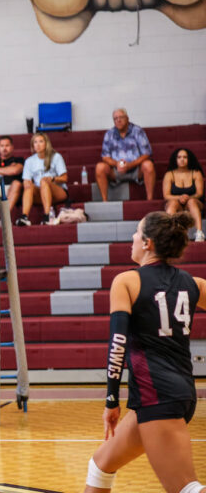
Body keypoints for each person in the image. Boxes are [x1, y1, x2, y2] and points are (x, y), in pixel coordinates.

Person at [84, 211, 206, 493]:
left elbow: (117, 344)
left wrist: (111, 399)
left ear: (148, 243)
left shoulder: (127, 281)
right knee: (100, 465)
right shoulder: (193, 283)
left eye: (137, 233)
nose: (133, 238)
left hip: (157, 397)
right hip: (178, 393)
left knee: (186, 488)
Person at [96, 108, 156, 202]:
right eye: (115, 118)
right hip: (116, 170)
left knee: (148, 165)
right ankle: (105, 201)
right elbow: (105, 156)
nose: (118, 120)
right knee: (100, 167)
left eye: (121, 117)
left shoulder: (137, 131)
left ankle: (149, 201)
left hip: (136, 169)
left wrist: (130, 165)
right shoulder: (109, 134)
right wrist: (117, 164)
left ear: (127, 118)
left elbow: (146, 154)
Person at [16, 133, 68, 226]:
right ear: (32, 145)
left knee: (43, 181)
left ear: (46, 143)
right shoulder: (29, 161)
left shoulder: (56, 157)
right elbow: (26, 180)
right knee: (28, 185)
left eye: (41, 141)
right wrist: (27, 182)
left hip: (57, 191)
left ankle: (47, 216)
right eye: (35, 142)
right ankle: (24, 217)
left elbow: (64, 178)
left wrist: (52, 179)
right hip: (40, 193)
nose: (38, 144)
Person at [162, 148, 204, 242]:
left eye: (185, 157)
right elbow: (166, 195)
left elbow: (199, 193)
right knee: (172, 203)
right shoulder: (169, 174)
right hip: (177, 205)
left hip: (194, 204)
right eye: (179, 157)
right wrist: (180, 197)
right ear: (175, 159)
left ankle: (199, 232)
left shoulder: (196, 173)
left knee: (191, 201)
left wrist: (188, 198)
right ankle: (171, 234)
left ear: (189, 159)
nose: (182, 159)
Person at [0, 135, 24, 211]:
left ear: (12, 147)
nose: (4, 148)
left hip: (12, 189)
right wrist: (8, 170)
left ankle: (4, 218)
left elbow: (15, 170)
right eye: (2, 146)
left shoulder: (19, 160)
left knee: (17, 184)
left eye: (7, 145)